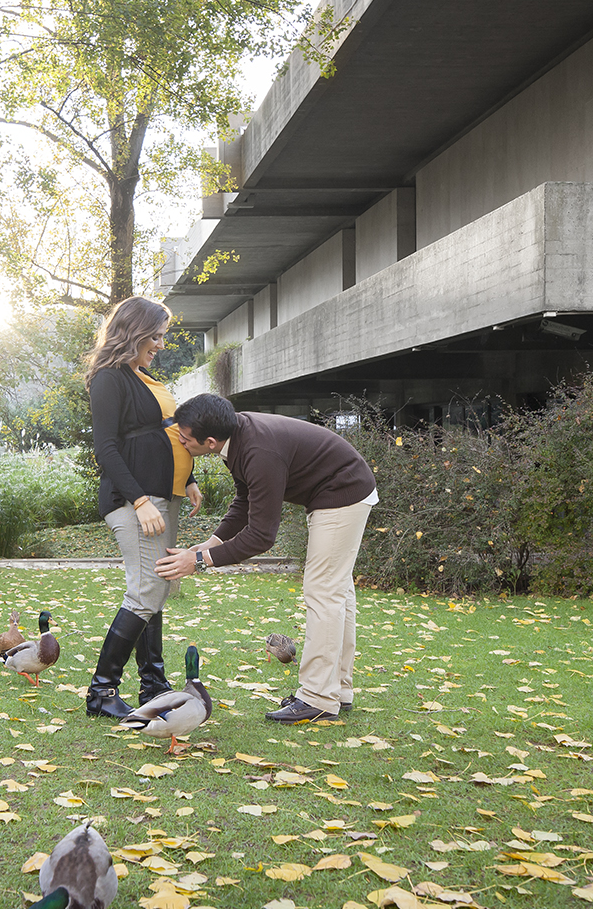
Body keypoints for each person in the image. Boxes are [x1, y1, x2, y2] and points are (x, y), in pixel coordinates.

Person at [154, 393, 378, 722]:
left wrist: (200, 562)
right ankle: (336, 691)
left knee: (323, 591)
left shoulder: (259, 451)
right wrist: (209, 544)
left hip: (342, 492)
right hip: (337, 491)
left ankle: (318, 698)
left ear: (210, 441)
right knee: (337, 591)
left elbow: (261, 536)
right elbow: (245, 499)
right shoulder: (238, 438)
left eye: (185, 439)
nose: (182, 443)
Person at [83, 297, 202, 720]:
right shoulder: (109, 378)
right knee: (146, 589)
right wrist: (138, 501)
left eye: (162, 336)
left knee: (160, 588)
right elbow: (107, 449)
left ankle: (153, 681)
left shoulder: (142, 374)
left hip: (161, 495)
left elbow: (164, 433)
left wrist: (185, 478)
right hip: (136, 498)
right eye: (156, 335)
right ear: (133, 331)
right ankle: (101, 693)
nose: (161, 344)